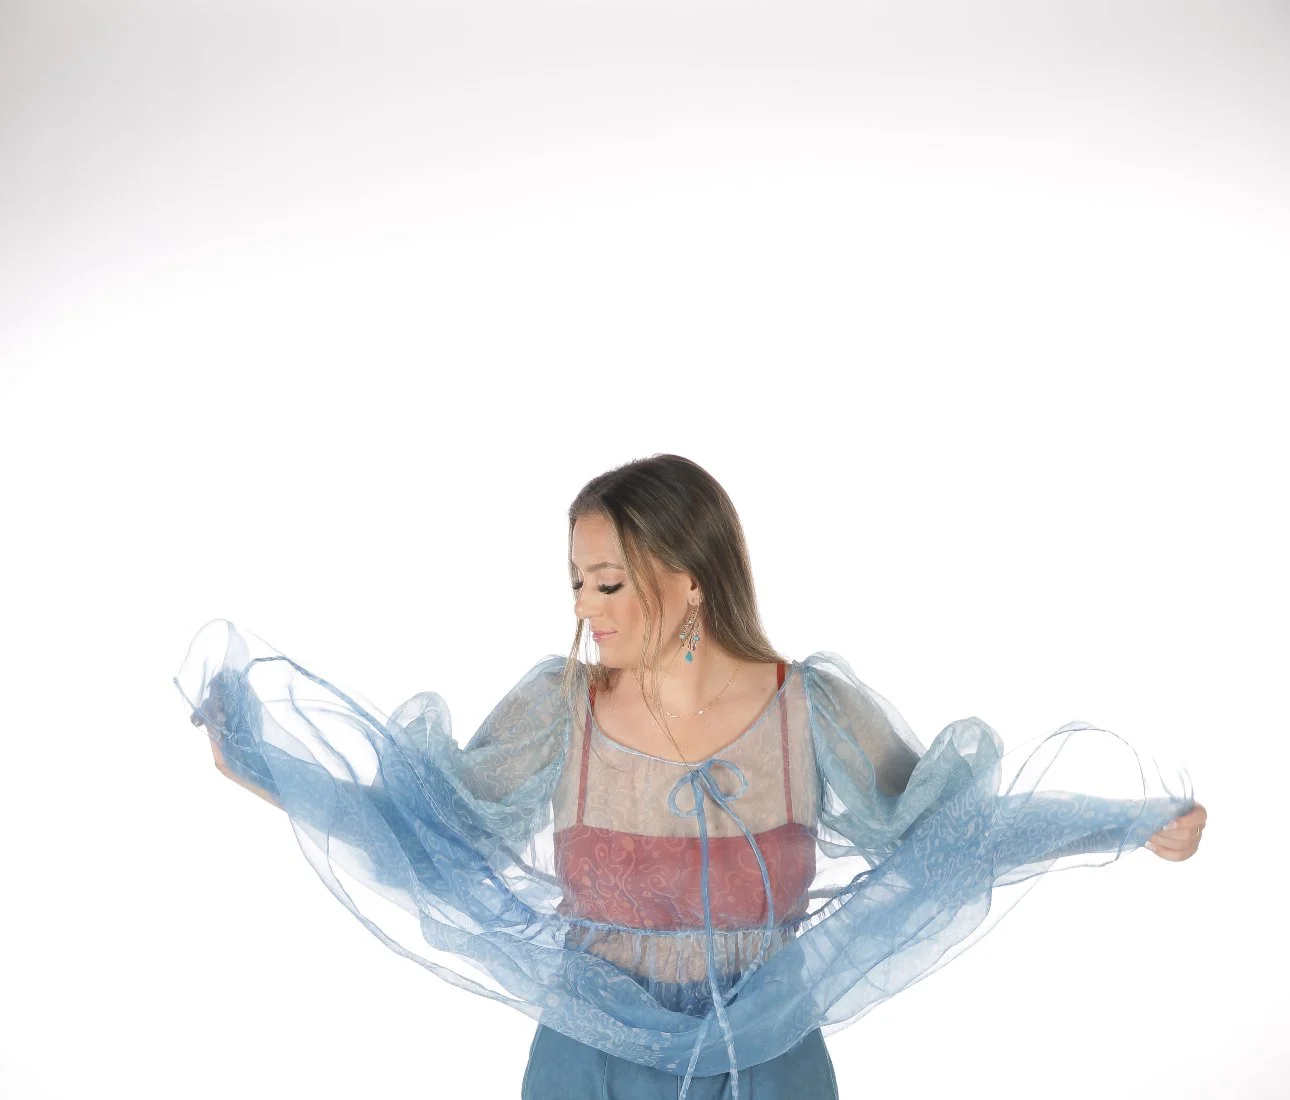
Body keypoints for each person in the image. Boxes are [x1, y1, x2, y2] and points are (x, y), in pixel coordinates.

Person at [176, 453, 1206, 1100]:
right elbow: (421, 831)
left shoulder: (811, 709)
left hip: (769, 1069)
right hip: (587, 1071)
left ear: (690, 578)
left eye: (610, 579)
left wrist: (1124, 823)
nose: (589, 606)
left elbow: (952, 839)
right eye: (577, 581)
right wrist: (265, 767)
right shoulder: (560, 709)